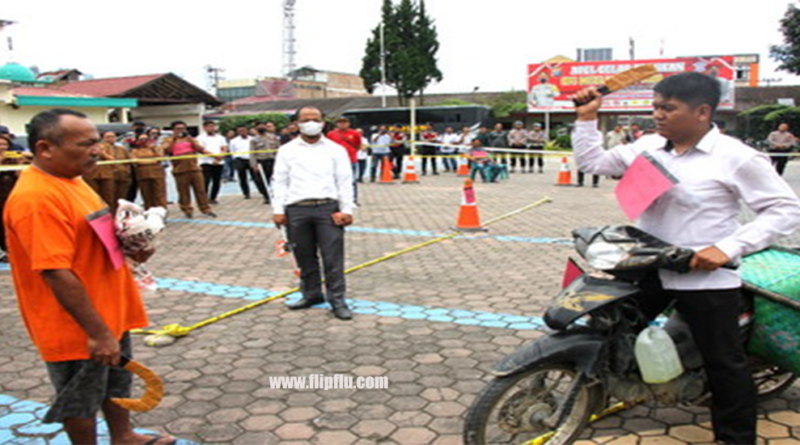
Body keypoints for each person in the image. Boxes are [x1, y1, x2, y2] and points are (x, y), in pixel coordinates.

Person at [571, 72, 800, 444]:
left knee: (724, 365)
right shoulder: (647, 146)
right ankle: (605, 392)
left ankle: (735, 438)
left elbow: (786, 210)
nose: (657, 115)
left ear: (702, 112)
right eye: (655, 107)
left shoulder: (736, 157)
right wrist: (585, 119)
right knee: (610, 329)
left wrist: (727, 248)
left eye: (668, 108)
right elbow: (593, 162)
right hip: (648, 263)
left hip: (705, 275)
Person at [4, 109, 175, 445]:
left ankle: (123, 435)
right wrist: (97, 333)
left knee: (115, 381)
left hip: (108, 308)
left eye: (97, 142)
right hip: (77, 323)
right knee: (79, 395)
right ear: (45, 148)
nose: (97, 150)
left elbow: (93, 237)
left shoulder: (74, 180)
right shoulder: (37, 198)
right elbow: (54, 271)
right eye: (85, 144)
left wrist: (133, 247)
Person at [272, 106, 355, 320]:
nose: (311, 123)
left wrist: (346, 209)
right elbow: (279, 181)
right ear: (297, 123)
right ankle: (311, 294)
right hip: (296, 209)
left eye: (316, 119)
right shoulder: (287, 150)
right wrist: (278, 210)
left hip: (328, 209)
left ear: (323, 122)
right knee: (304, 256)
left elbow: (345, 181)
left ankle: (337, 300)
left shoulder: (335, 149)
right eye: (306, 119)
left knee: (332, 258)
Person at [161, 121, 216, 219]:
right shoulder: (168, 140)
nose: (181, 131)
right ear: (173, 130)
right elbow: (166, 150)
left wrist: (190, 140)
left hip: (194, 168)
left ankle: (205, 209)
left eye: (183, 128)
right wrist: (174, 139)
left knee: (201, 190)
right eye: (178, 129)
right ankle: (187, 210)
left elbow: (200, 148)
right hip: (180, 170)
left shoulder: (190, 139)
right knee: (183, 192)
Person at [326, 117, 362, 203]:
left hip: (351, 160)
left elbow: (358, 145)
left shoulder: (354, 133)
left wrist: (352, 152)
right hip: (335, 161)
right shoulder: (331, 134)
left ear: (348, 123)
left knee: (352, 180)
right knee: (335, 180)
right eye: (340, 122)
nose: (342, 124)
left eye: (344, 122)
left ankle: (353, 199)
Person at [230, 125, 268, 202]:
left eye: (244, 130)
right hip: (240, 159)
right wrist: (235, 159)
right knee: (242, 177)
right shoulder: (234, 141)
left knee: (256, 177)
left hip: (251, 159)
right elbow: (232, 151)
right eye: (240, 131)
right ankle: (246, 193)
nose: (242, 132)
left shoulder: (252, 139)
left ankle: (262, 191)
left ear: (247, 131)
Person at [131, 133, 168, 210]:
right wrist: (151, 161)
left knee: (160, 194)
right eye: (141, 139)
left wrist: (153, 148)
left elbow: (160, 158)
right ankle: (149, 211)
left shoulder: (156, 148)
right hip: (142, 174)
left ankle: (162, 211)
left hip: (157, 173)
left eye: (146, 139)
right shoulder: (135, 150)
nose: (144, 141)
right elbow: (135, 161)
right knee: (146, 195)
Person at [83, 131, 116, 208]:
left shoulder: (107, 146)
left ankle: (110, 216)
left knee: (109, 198)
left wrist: (102, 153)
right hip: (91, 174)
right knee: (93, 198)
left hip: (106, 174)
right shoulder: (86, 146)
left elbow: (112, 159)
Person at [197, 121, 227, 204]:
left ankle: (213, 198)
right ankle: (204, 199)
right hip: (206, 162)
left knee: (217, 181)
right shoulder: (200, 138)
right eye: (209, 126)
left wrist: (220, 157)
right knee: (205, 181)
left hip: (219, 162)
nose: (211, 128)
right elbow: (202, 150)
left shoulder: (220, 138)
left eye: (213, 126)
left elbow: (224, 148)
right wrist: (214, 156)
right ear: (204, 127)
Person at [251, 122, 282, 200]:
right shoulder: (254, 140)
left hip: (272, 160)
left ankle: (275, 194)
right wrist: (254, 165)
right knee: (261, 180)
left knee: (275, 179)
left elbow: (278, 149)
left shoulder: (273, 137)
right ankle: (266, 195)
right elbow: (252, 153)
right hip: (261, 161)